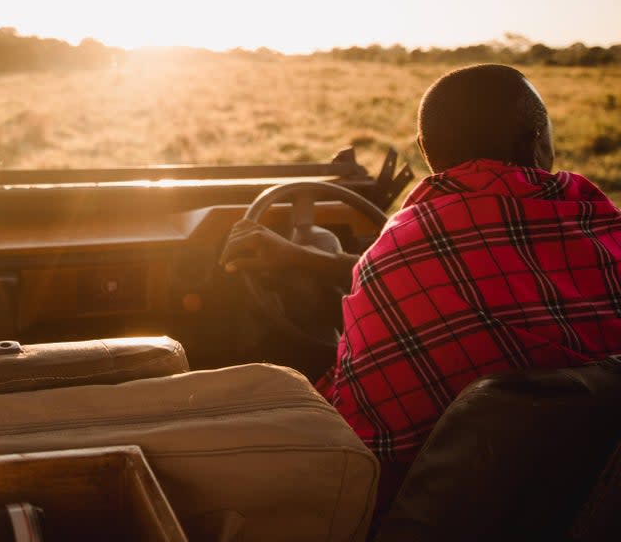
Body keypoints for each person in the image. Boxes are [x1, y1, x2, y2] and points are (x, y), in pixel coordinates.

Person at [220, 63, 621, 504]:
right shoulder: (599, 228)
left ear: (426, 149)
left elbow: (362, 436)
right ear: (534, 143)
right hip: (586, 497)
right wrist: (301, 257)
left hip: (437, 508)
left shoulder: (400, 253)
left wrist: (298, 263)